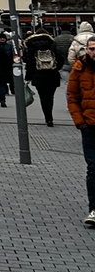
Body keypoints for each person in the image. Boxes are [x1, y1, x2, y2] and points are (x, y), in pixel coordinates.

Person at [67, 33, 95, 228]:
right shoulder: (79, 68)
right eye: (91, 49)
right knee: (93, 168)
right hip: (90, 125)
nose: (94, 52)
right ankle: (93, 208)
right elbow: (72, 96)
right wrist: (80, 121)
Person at [23, 26, 63, 127]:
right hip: (52, 74)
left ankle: (47, 117)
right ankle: (50, 115)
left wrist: (28, 77)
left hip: (38, 75)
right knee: (50, 96)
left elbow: (29, 62)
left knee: (43, 96)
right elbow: (60, 58)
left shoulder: (32, 45)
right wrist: (56, 68)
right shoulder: (52, 44)